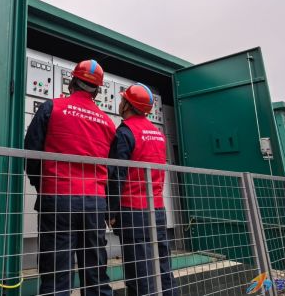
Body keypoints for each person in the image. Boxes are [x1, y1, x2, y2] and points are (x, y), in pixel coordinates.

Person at [25, 59, 115, 296]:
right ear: (97, 91)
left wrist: (41, 184)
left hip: (57, 197)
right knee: (95, 272)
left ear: (72, 82)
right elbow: (112, 168)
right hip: (95, 202)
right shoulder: (107, 122)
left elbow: (31, 151)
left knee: (56, 274)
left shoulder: (52, 107)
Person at [108, 83, 177, 296]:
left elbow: (116, 175)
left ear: (128, 105)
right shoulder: (158, 134)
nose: (120, 103)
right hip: (157, 209)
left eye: (123, 100)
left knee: (139, 271)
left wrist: (111, 211)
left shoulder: (125, 132)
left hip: (133, 210)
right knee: (162, 265)